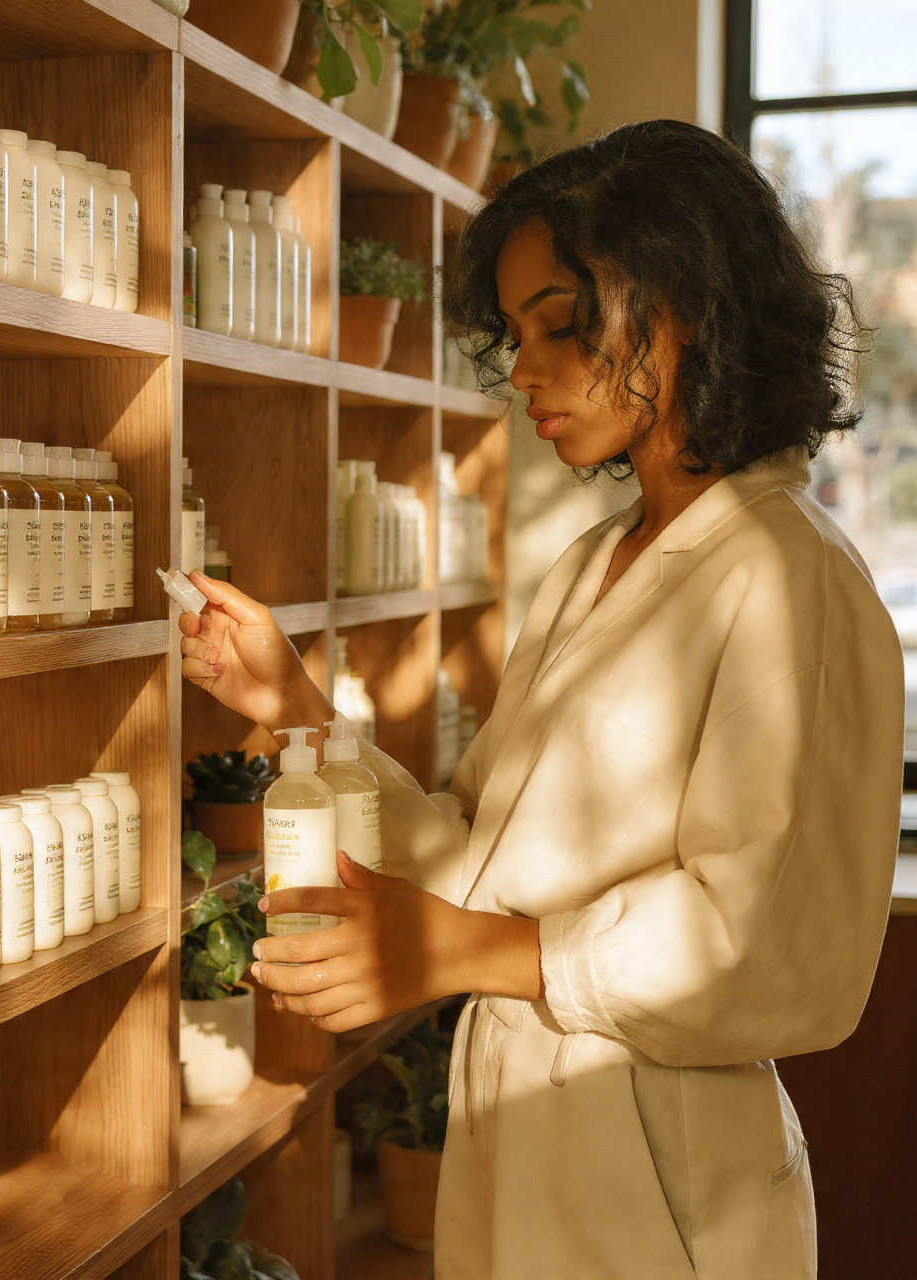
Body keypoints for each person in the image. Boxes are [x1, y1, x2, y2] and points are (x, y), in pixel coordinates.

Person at [178, 119, 904, 1278]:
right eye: (513, 335)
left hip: (661, 1187)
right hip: (518, 1149)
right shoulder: (592, 566)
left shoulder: (787, 577)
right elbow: (476, 853)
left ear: (678, 312)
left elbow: (769, 946)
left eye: (557, 324)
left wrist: (460, 948)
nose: (520, 371)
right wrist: (291, 702)